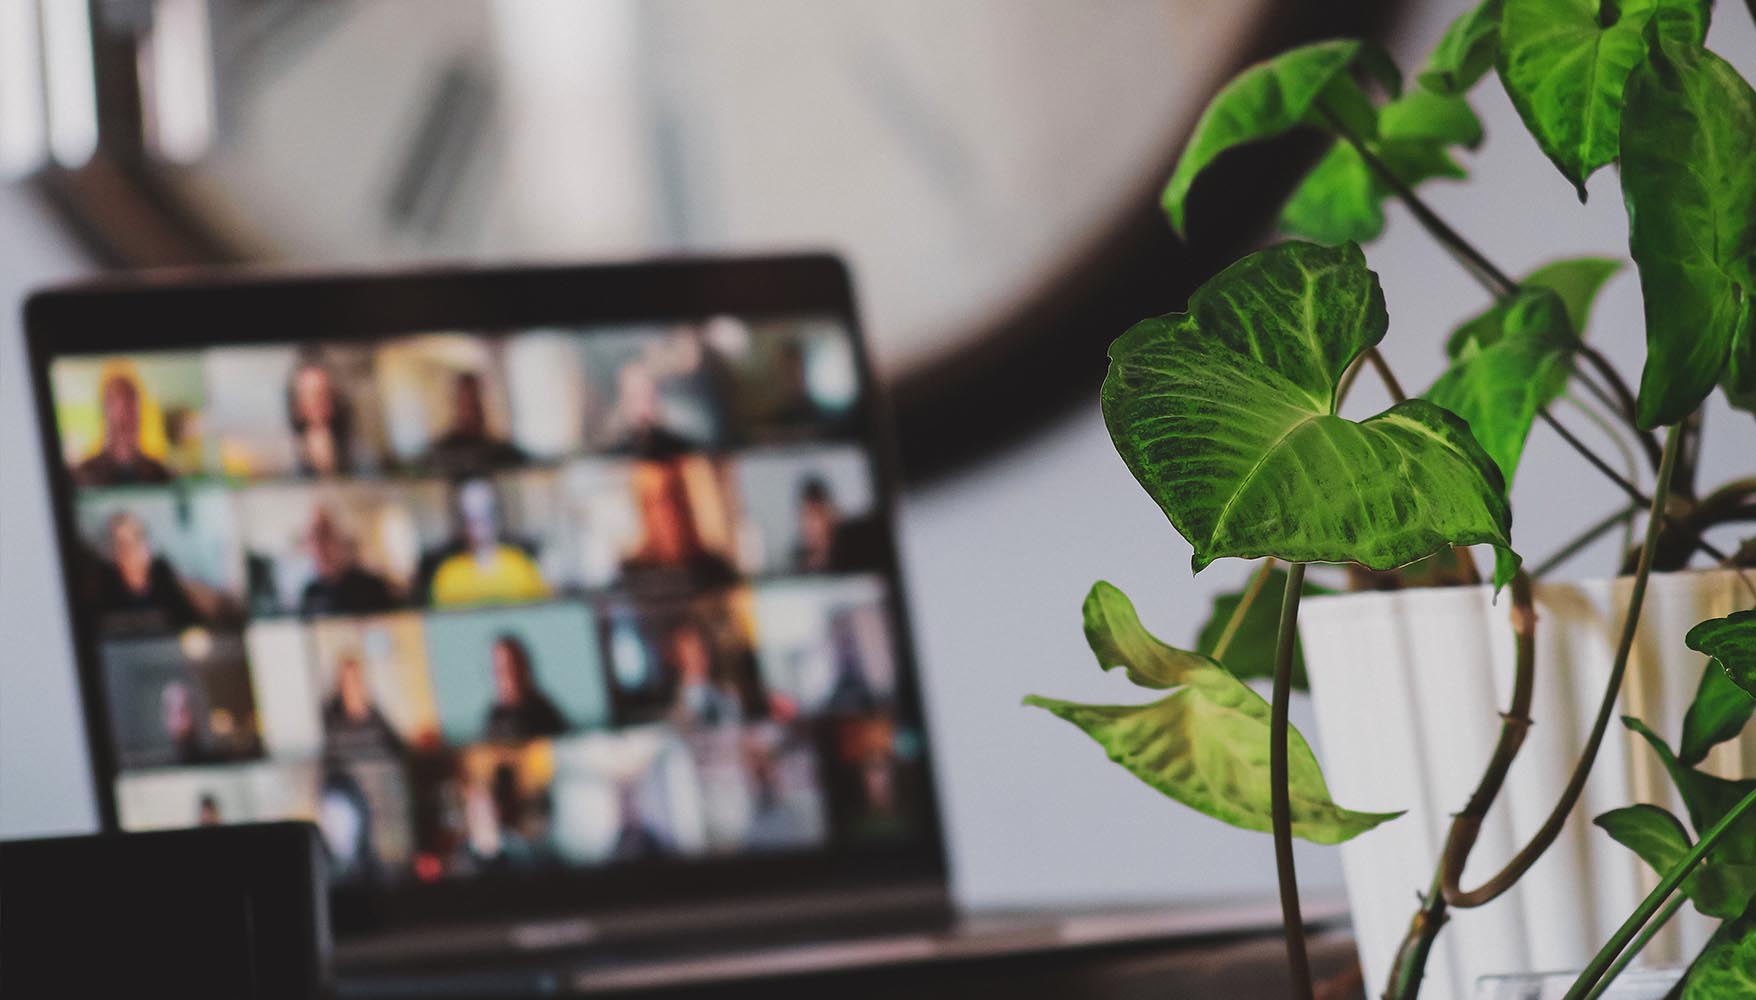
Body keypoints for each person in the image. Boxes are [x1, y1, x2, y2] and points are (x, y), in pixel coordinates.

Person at [427, 479, 550, 607]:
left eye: (484, 516)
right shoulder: (448, 575)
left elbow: (542, 613)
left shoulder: (521, 567)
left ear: (497, 517)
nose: (478, 527)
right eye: (470, 518)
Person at [619, 461, 737, 591]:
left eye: (674, 496)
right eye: (654, 502)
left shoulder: (718, 571)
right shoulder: (630, 577)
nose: (667, 512)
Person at [94, 512, 201, 633]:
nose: (129, 549)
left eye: (136, 538)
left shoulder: (162, 574)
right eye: (120, 543)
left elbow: (191, 622)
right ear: (110, 550)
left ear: (147, 544)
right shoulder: (102, 585)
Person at [72, 370, 173, 486]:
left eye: (132, 403)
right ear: (105, 413)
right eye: (119, 406)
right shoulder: (85, 474)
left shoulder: (159, 473)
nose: (127, 417)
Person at [299, 506, 397, 616]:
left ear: (340, 538)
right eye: (312, 538)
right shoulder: (310, 593)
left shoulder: (373, 587)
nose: (318, 547)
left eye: (325, 534)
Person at [422, 372, 526, 475]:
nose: (469, 407)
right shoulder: (440, 452)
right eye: (464, 400)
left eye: (474, 399)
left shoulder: (503, 451)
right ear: (454, 402)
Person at [482, 635, 567, 741]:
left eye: (513, 667)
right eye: (501, 670)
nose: (509, 676)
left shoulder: (546, 715)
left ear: (525, 667)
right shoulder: (494, 719)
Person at [603, 362, 693, 459]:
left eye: (647, 398)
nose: (642, 409)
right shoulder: (609, 457)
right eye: (634, 399)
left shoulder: (685, 451)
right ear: (623, 403)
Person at [321, 654, 404, 758]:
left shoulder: (374, 714)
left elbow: (398, 746)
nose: (351, 687)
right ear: (339, 684)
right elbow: (333, 753)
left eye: (355, 680)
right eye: (346, 681)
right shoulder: (331, 715)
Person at [286, 358, 354, 476]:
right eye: (310, 395)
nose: (317, 402)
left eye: (323, 394)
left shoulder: (361, 457)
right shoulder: (287, 465)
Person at [160, 679, 213, 765]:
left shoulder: (213, 759)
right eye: (171, 711)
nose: (178, 720)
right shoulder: (156, 762)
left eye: (183, 710)